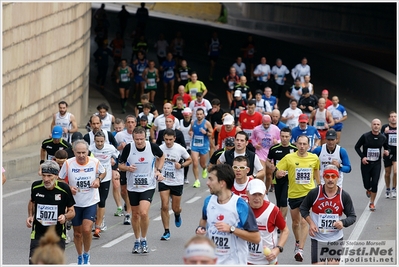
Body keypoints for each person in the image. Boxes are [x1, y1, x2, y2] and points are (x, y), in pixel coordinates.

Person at [195, 164, 260, 265]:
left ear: (222, 183)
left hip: (234, 262)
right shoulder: (208, 201)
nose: (207, 183)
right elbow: (204, 219)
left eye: (211, 179)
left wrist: (231, 229)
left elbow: (256, 238)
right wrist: (201, 228)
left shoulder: (240, 205)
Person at [118, 127, 165, 254]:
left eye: (141, 139)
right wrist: (127, 168)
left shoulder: (152, 147)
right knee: (135, 214)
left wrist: (158, 170)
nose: (139, 142)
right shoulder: (128, 148)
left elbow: (162, 156)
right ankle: (137, 240)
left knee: (143, 213)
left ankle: (144, 239)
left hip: (148, 185)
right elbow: (120, 165)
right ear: (133, 138)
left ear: (146, 138)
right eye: (137, 139)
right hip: (133, 186)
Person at [58, 140, 106, 265]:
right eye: (78, 152)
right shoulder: (69, 163)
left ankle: (87, 254)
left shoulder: (94, 162)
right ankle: (79, 256)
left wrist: (98, 179)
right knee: (78, 233)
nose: (81, 155)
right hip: (75, 203)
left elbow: (103, 171)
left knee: (86, 229)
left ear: (88, 151)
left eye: (84, 152)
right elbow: (60, 178)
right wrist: (68, 187)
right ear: (73, 152)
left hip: (90, 201)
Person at [275, 135, 321, 262]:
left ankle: (300, 249)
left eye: (304, 144)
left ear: (308, 145)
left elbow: (316, 170)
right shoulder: (289, 158)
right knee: (295, 222)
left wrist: (320, 186)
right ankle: (297, 242)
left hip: (309, 193)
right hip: (294, 194)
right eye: (299, 144)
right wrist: (279, 174)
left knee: (303, 221)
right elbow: (278, 170)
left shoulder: (314, 157)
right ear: (296, 144)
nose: (302, 146)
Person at [300, 165, 356, 265]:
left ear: (337, 178)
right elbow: (303, 208)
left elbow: (352, 216)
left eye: (333, 176)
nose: (330, 179)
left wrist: (342, 222)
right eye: (327, 176)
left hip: (335, 239)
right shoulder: (315, 193)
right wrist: (311, 223)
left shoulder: (344, 196)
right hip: (318, 239)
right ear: (323, 177)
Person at [27, 160, 75, 264]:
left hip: (57, 235)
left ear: (57, 176)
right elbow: (32, 202)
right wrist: (30, 216)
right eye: (44, 175)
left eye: (49, 176)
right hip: (38, 234)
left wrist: (65, 217)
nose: (46, 179)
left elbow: (72, 211)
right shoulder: (36, 186)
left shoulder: (64, 189)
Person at [158, 128, 192, 240]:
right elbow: (155, 160)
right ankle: (166, 231)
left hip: (177, 180)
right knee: (164, 205)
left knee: (175, 208)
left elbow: (189, 160)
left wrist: (181, 165)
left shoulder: (179, 149)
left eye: (170, 139)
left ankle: (177, 214)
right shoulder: (160, 148)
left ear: (174, 138)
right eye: (166, 139)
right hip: (164, 179)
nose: (168, 142)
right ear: (163, 138)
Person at [246, 179, 289, 265]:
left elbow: (285, 230)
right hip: (246, 260)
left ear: (265, 193)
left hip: (268, 261)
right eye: (254, 194)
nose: (257, 198)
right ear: (247, 193)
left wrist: (278, 249)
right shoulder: (242, 208)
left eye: (260, 194)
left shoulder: (273, 210)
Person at [354, 118, 390, 211]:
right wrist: (363, 157)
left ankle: (372, 203)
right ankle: (368, 189)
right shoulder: (365, 136)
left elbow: (387, 147)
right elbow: (357, 147)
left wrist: (387, 151)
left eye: (378, 124)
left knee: (374, 183)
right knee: (366, 184)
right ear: (371, 125)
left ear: (380, 126)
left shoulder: (383, 138)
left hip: (376, 164)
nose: (376, 126)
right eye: (374, 124)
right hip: (366, 164)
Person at [89, 131, 120, 238]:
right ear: (94, 140)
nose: (99, 143)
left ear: (105, 140)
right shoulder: (90, 148)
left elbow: (118, 156)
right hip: (93, 178)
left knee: (102, 201)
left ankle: (98, 224)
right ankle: (97, 219)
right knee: (93, 201)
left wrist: (114, 162)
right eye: (97, 141)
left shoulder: (110, 148)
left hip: (105, 177)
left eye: (101, 141)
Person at [267, 127, 297, 220]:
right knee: (279, 201)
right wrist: (272, 167)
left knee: (284, 200)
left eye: (286, 136)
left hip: (289, 178)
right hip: (277, 178)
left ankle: (280, 223)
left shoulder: (295, 149)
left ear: (290, 137)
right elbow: (267, 161)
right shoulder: (274, 148)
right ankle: (281, 217)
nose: (284, 138)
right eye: (282, 136)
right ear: (280, 136)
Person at [114, 115, 137, 224]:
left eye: (132, 122)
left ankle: (128, 214)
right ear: (125, 124)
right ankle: (127, 203)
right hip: (123, 165)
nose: (130, 124)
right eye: (128, 122)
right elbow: (112, 149)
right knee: (123, 190)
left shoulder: (139, 135)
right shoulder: (119, 135)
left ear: (135, 124)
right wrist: (119, 147)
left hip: (135, 166)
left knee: (131, 190)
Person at [250, 115, 281, 191]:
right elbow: (252, 138)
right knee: (262, 173)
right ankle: (261, 190)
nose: (266, 126)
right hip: (260, 152)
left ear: (270, 122)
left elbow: (280, 138)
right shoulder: (256, 129)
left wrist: (277, 142)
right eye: (264, 124)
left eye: (268, 124)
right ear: (262, 122)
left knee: (269, 174)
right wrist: (255, 144)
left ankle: (266, 190)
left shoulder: (275, 129)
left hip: (271, 153)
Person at [190, 108, 213, 188]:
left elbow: (212, 133)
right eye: (198, 114)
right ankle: (197, 180)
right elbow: (190, 130)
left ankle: (204, 168)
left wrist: (206, 132)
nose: (199, 116)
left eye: (201, 114)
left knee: (202, 163)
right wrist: (190, 133)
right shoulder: (193, 123)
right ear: (196, 115)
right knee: (195, 162)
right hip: (195, 145)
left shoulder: (207, 123)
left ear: (203, 115)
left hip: (204, 146)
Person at [381, 111, 397, 198]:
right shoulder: (385, 127)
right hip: (388, 152)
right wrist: (384, 133)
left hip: (396, 152)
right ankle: (387, 188)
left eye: (395, 116)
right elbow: (380, 139)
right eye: (392, 116)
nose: (393, 118)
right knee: (387, 173)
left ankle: (394, 188)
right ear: (389, 118)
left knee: (396, 172)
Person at [180, 107, 193, 184]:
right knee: (179, 160)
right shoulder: (180, 121)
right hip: (181, 144)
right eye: (184, 114)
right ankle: (180, 176)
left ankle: (185, 177)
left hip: (190, 145)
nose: (186, 115)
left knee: (186, 161)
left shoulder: (193, 122)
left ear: (190, 114)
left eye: (187, 114)